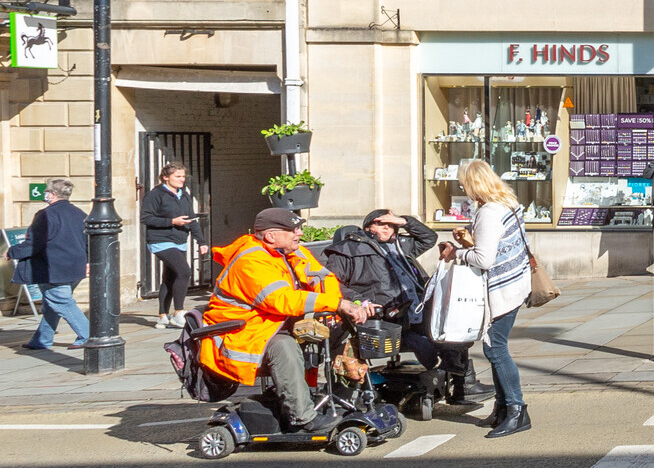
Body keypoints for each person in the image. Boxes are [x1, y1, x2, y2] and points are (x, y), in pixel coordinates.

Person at [197, 207, 376, 431]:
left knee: (342, 329)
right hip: (244, 333)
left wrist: (338, 308)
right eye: (293, 230)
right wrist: (337, 304)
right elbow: (282, 299)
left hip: (269, 326)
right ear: (271, 236)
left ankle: (343, 398)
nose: (299, 233)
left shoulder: (288, 252)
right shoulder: (251, 260)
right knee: (286, 347)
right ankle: (303, 418)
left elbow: (324, 278)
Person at [324, 208, 477, 406]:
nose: (387, 227)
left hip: (417, 308)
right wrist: (359, 302)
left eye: (391, 224)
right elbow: (331, 283)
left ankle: (461, 385)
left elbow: (428, 237)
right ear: (368, 227)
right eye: (381, 223)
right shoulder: (350, 249)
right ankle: (452, 376)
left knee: (455, 327)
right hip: (388, 316)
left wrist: (404, 221)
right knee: (424, 340)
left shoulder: (400, 245)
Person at [443, 159, 532, 438]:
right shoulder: (508, 203)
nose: (462, 188)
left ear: (473, 184)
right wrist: (470, 241)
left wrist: (455, 253)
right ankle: (503, 407)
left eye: (463, 184)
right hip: (517, 283)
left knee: (495, 348)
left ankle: (517, 410)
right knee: (496, 347)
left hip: (503, 289)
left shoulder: (489, 213)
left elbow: (484, 258)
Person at [8, 178, 88, 352]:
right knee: (52, 304)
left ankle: (88, 335)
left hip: (53, 268)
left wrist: (12, 252)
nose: (45, 193)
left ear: (52, 194)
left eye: (46, 191)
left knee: (61, 301)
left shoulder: (46, 215)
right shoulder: (80, 214)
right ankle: (42, 339)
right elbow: (88, 241)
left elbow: (35, 243)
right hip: (75, 267)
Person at [141, 161, 200, 329]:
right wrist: (171, 221)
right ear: (166, 177)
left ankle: (162, 316)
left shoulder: (184, 194)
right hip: (161, 240)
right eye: (178, 176)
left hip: (179, 240)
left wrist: (201, 241)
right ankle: (178, 313)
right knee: (184, 271)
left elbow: (191, 218)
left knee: (170, 277)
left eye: (183, 176)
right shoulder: (155, 195)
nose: (182, 180)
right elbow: (146, 218)